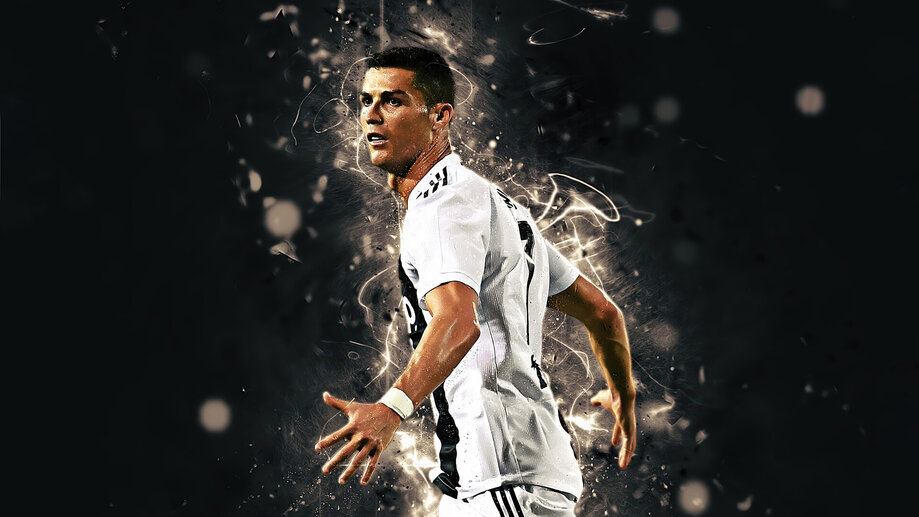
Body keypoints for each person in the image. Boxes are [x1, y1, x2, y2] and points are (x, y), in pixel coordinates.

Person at [315, 47, 636, 516]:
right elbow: (603, 313)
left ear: (439, 116)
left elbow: (458, 321)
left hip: (505, 476)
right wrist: (625, 395)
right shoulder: (493, 204)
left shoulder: (443, 205)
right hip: (498, 478)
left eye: (394, 101)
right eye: (366, 100)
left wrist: (390, 409)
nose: (372, 115)